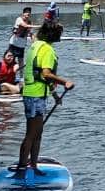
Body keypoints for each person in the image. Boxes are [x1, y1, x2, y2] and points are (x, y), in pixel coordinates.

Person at [17, 20, 74, 174]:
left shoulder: (36, 44)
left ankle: (33, 165)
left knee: (37, 133)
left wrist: (54, 94)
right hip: (36, 95)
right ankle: (22, 168)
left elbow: (39, 74)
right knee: (31, 134)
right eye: (59, 33)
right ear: (53, 34)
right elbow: (46, 73)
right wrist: (65, 82)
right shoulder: (47, 49)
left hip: (31, 93)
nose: (61, 36)